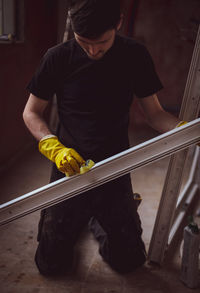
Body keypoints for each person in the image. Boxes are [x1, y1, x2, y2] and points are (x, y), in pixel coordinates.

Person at [23, 0, 183, 276]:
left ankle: (102, 214)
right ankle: (87, 212)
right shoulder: (57, 57)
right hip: (68, 166)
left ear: (118, 24)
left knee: (129, 262)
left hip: (115, 164)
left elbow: (155, 115)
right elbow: (31, 112)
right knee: (50, 266)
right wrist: (53, 148)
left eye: (102, 42)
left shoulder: (135, 55)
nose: (93, 50)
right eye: (84, 42)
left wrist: (185, 130)